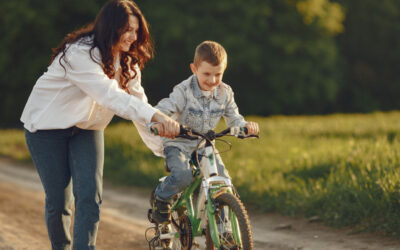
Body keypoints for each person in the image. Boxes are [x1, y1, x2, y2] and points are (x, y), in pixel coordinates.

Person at [20, 0, 179, 249]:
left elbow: (138, 105)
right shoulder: (79, 53)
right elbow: (111, 96)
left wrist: (163, 148)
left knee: (90, 197)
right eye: (127, 29)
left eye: (136, 30)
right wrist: (157, 116)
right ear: (110, 27)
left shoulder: (128, 62)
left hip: (87, 129)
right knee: (59, 202)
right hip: (46, 129)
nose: (133, 36)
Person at [150, 40, 259, 224]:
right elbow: (163, 109)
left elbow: (234, 118)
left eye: (218, 74)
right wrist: (160, 123)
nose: (212, 80)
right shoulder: (183, 91)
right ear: (194, 69)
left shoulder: (225, 92)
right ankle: (161, 197)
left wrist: (245, 127)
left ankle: (224, 230)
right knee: (183, 176)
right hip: (179, 143)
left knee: (223, 183)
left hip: (205, 145)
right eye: (206, 74)